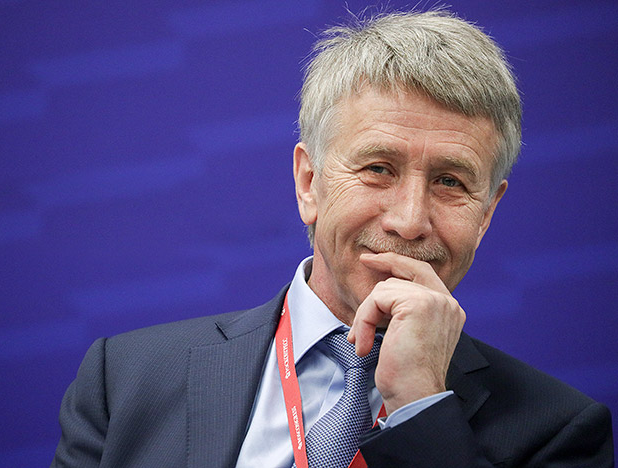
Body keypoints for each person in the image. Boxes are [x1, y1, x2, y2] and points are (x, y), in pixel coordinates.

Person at [51, 10, 614, 467]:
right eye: (378, 168)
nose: (409, 221)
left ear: (487, 213)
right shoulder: (124, 379)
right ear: (309, 183)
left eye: (450, 182)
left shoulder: (559, 431)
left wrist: (421, 404)